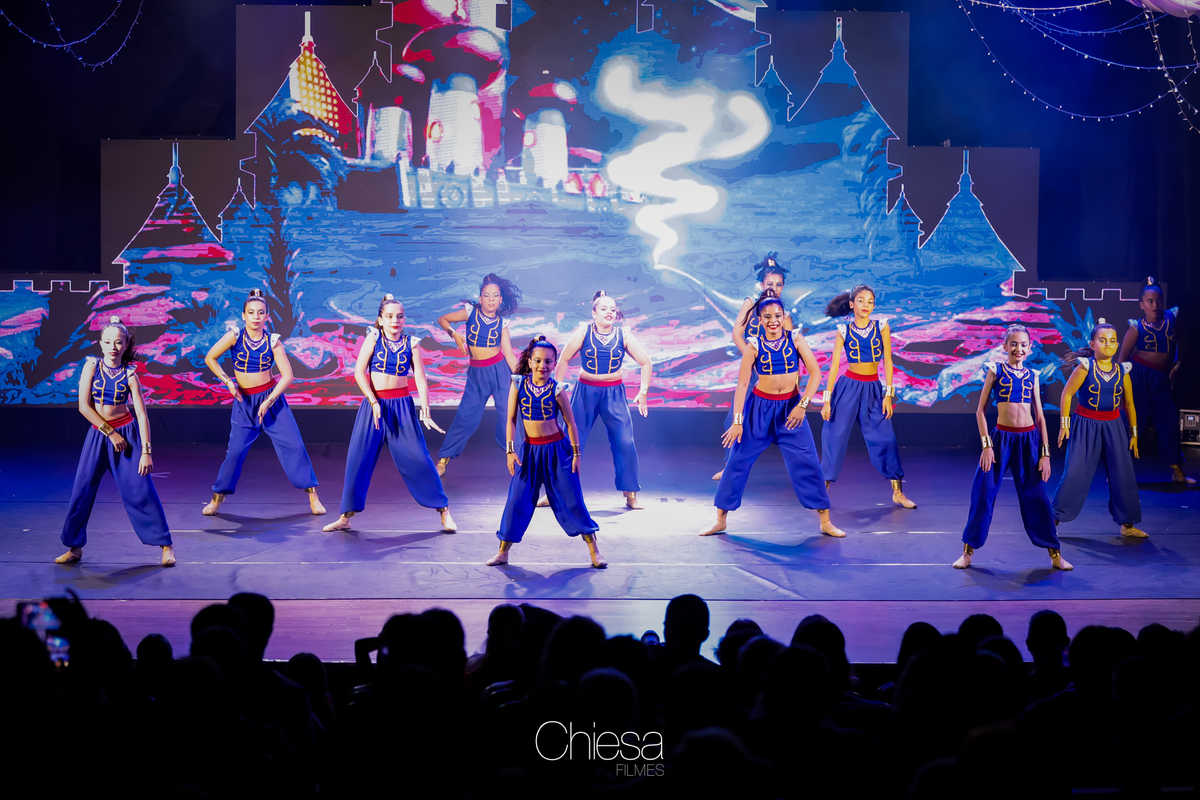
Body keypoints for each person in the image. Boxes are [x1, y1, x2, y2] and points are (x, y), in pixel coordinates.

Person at [701, 292, 846, 538]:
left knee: (808, 462)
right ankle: (720, 520)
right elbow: (742, 385)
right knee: (737, 462)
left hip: (791, 411)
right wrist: (737, 422)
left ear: (784, 317)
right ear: (759, 320)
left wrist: (803, 405)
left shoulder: (796, 339)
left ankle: (825, 521)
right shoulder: (753, 346)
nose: (773, 321)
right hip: (759, 410)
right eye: (767, 317)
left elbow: (816, 373)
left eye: (777, 316)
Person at [322, 294, 457, 533]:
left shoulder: (412, 343)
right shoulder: (373, 338)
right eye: (390, 316)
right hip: (373, 407)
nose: (395, 321)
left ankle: (443, 510)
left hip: (401, 408)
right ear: (381, 319)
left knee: (418, 458)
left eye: (399, 316)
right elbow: (359, 372)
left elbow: (421, 378)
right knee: (358, 460)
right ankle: (345, 516)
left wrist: (426, 411)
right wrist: (373, 401)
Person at [57, 316, 174, 566]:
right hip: (99, 436)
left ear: (125, 345)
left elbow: (142, 415)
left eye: (118, 342)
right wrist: (110, 433)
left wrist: (146, 452)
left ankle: (166, 545)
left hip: (127, 438)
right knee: (82, 490)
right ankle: (75, 548)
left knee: (141, 490)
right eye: (108, 341)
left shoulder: (130, 375)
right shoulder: (91, 366)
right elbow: (83, 407)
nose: (113, 346)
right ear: (101, 344)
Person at [954, 324, 1071, 570]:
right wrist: (987, 446)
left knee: (1037, 497)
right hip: (1000, 441)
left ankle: (1055, 554)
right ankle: (967, 552)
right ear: (1005, 346)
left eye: (1023, 344)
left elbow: (1040, 417)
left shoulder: (1033, 375)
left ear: (1030, 348)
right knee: (983, 493)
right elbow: (980, 411)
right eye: (1014, 344)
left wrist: (1045, 453)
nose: (1019, 348)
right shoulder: (995, 371)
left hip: (1028, 442)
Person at [202, 289, 325, 516]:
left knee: (295, 446)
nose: (256, 317)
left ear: (267, 316)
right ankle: (217, 498)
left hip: (271, 401)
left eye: (260, 313)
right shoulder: (234, 336)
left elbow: (288, 376)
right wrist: (228, 382)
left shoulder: (273, 341)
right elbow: (210, 357)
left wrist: (268, 401)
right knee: (235, 452)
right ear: (244, 315)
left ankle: (313, 495)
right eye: (251, 312)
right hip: (244, 402)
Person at [486, 336, 605, 568]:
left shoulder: (557, 389)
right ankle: (502, 552)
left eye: (548, 361)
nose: (543, 365)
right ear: (530, 361)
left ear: (554, 364)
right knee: (517, 500)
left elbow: (570, 423)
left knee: (572, 500)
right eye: (538, 361)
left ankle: (594, 551)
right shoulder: (518, 384)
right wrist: (510, 450)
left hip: (557, 452)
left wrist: (576, 455)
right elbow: (510, 419)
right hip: (529, 452)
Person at [819, 285, 916, 508]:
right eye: (861, 301)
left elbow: (888, 362)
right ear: (852, 304)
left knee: (885, 437)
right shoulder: (843, 330)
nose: (866, 305)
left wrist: (888, 394)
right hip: (847, 387)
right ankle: (821, 492)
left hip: (872, 389)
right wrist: (827, 400)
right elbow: (833, 367)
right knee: (834, 436)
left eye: (870, 302)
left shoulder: (881, 327)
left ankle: (897, 492)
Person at [554, 290, 653, 509]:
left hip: (614, 394)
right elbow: (563, 360)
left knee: (625, 442)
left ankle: (630, 493)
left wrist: (643, 392)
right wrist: (556, 390)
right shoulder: (583, 332)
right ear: (594, 313)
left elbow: (646, 362)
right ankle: (558, 491)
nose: (609, 312)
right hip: (585, 393)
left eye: (612, 309)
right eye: (604, 308)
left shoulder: (624, 335)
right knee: (570, 441)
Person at [1052, 320, 1145, 538]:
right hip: (1086, 424)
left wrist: (1133, 434)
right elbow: (1067, 394)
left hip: (1114, 426)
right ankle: (1052, 519)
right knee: (1074, 473)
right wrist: (1064, 425)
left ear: (1118, 344)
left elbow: (1129, 404)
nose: (1108, 344)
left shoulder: (1122, 371)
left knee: (1123, 475)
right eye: (1102, 340)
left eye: (1112, 341)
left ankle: (1128, 525)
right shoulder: (1085, 367)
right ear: (1093, 344)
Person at [713, 254, 793, 482]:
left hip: (773, 380)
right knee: (734, 419)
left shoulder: (784, 314)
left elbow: (791, 350)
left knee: (785, 427)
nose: (774, 288)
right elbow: (737, 334)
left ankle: (799, 472)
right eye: (770, 284)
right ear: (761, 284)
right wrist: (753, 361)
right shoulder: (750, 304)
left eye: (779, 285)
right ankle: (729, 467)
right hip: (753, 375)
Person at [435, 273, 521, 476]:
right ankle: (444, 459)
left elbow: (509, 355)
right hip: (477, 374)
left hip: (500, 372)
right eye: (487, 296)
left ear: (500, 300)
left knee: (509, 415)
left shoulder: (502, 324)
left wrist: (522, 378)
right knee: (465, 416)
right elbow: (443, 319)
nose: (491, 300)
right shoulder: (470, 312)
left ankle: (519, 457)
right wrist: (454, 334)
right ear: (480, 298)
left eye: (495, 296)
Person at [1117, 276, 1191, 483]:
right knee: (1133, 423)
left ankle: (1178, 471)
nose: (1155, 305)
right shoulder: (1136, 328)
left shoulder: (1173, 319)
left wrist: (1178, 363)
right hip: (1138, 376)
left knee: (1168, 423)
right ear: (1142, 304)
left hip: (1160, 378)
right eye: (1149, 301)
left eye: (1158, 300)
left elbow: (1184, 341)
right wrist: (1120, 389)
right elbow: (1122, 361)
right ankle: (1119, 471)